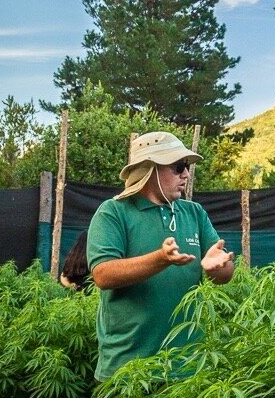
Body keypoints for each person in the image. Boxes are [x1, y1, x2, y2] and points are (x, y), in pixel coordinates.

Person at [87, 131, 234, 382]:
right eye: (178, 167)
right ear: (149, 169)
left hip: (189, 366)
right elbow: (103, 274)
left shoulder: (194, 213)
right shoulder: (113, 212)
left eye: (186, 167)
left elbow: (226, 273)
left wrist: (215, 268)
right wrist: (160, 259)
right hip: (129, 368)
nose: (186, 174)